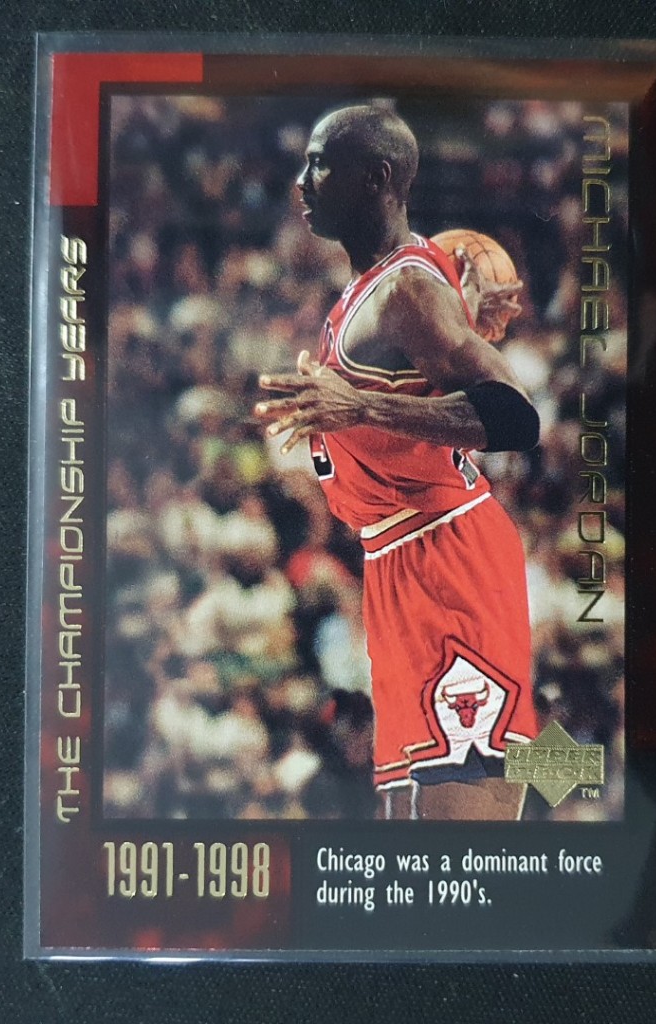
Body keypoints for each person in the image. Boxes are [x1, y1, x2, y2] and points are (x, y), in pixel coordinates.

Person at [255, 105, 539, 820]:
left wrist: (362, 407)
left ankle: (587, 794)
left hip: (447, 555)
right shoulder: (367, 288)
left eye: (321, 163)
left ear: (377, 177)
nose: (302, 181)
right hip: (397, 563)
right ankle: (573, 774)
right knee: (413, 816)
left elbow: (516, 416)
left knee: (462, 836)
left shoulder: (407, 288)